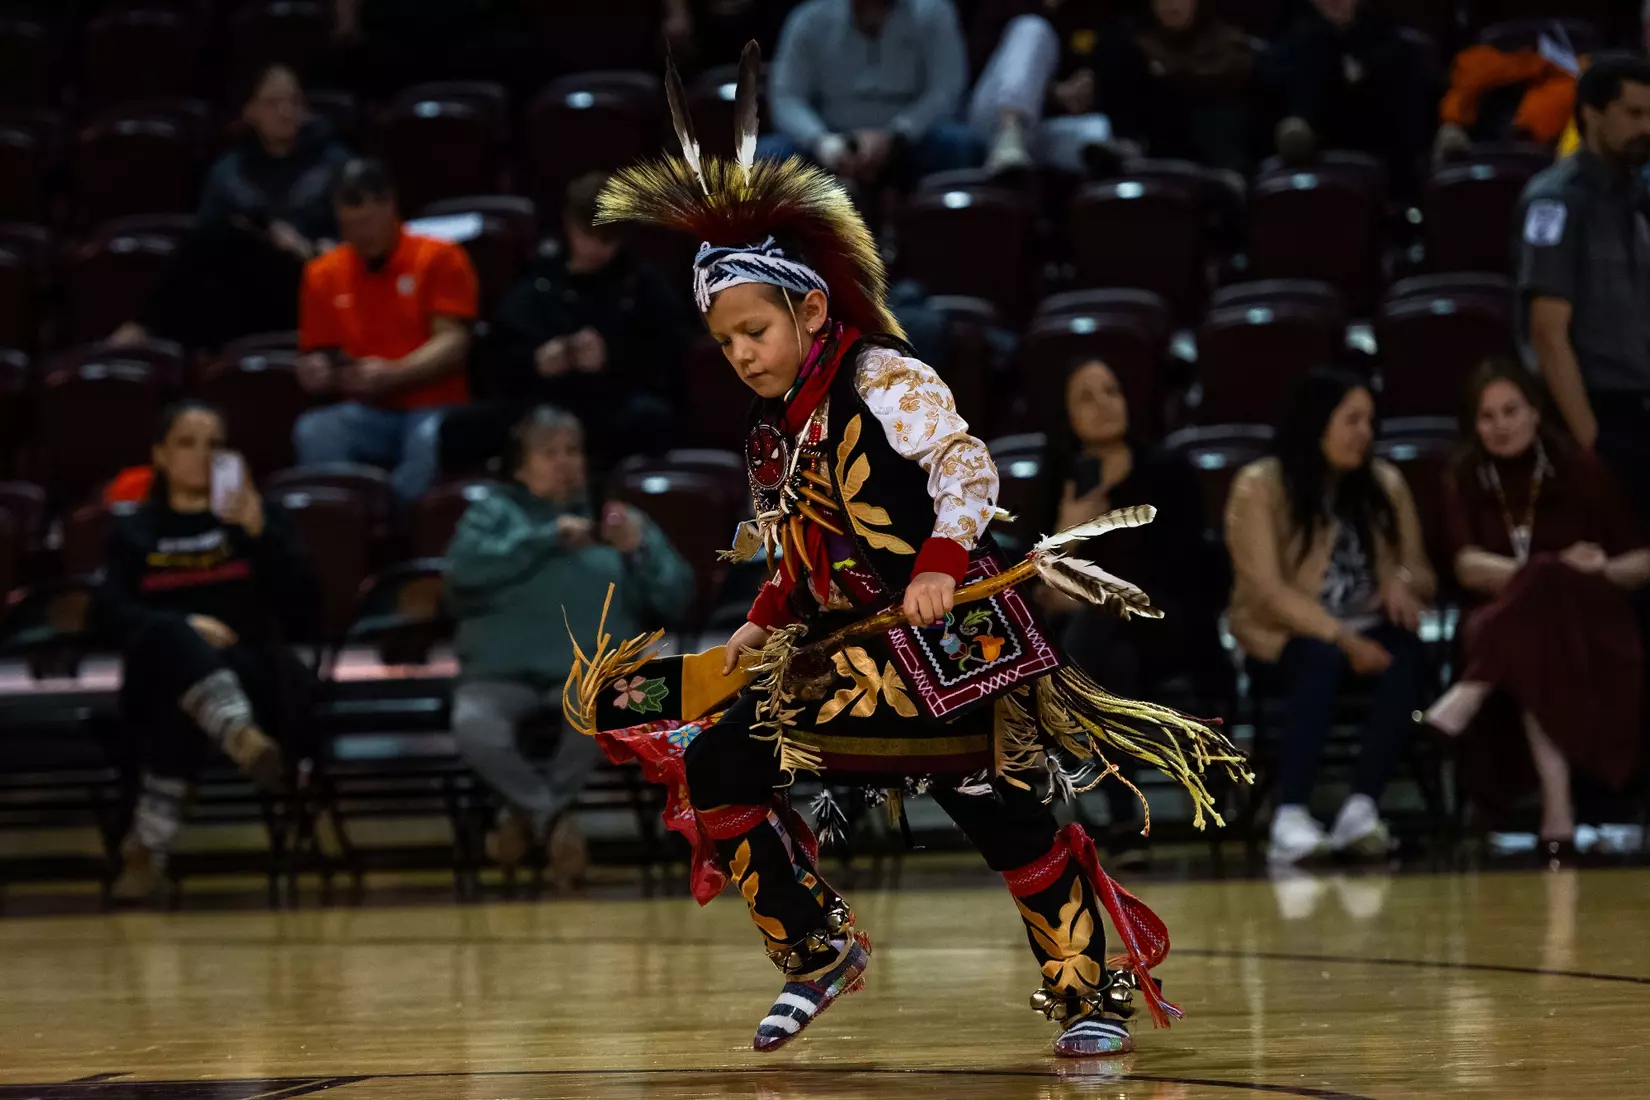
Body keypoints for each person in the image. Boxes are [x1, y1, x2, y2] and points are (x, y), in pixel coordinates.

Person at [571, 45, 1244, 1060]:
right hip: (844, 643)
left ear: (808, 308)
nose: (743, 353)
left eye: (755, 328)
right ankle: (818, 945)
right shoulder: (770, 427)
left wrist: (936, 563)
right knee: (716, 763)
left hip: (952, 633)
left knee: (1003, 815)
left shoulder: (885, 372)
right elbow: (796, 553)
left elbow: (967, 471)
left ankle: (1087, 992)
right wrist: (759, 626)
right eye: (725, 342)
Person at [445, 406, 695, 887]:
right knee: (474, 727)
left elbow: (677, 597)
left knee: (613, 705)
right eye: (550, 452)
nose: (565, 462)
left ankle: (525, 819)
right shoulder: (492, 514)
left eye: (573, 451)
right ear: (521, 465)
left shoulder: (618, 520)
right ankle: (552, 817)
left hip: (596, 676)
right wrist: (543, 538)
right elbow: (462, 574)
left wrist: (637, 550)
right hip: (499, 675)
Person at [1425, 362, 1650, 865]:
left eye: (1511, 411)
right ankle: (1558, 807)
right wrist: (1547, 572)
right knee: (1537, 620)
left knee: (1543, 617)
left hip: (1588, 615)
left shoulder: (1578, 466)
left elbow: (1640, 559)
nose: (1501, 426)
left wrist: (1597, 570)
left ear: (1536, 412)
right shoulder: (1463, 475)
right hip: (1500, 614)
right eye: (1487, 417)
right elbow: (1466, 565)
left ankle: (1472, 691)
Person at [102, 401, 321, 902]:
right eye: (187, 442)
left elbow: (306, 609)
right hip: (159, 678)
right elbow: (107, 615)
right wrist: (184, 626)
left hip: (254, 673)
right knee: (171, 640)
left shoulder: (257, 519)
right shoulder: (134, 531)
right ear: (159, 455)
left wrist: (262, 536)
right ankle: (236, 732)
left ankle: (147, 850)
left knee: (177, 695)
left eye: (216, 445)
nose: (202, 455)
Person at [1225, 368, 1434, 867]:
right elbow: (1267, 591)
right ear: (1317, 423)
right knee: (1318, 660)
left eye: (1369, 421)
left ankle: (1361, 808)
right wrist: (1343, 638)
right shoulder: (1260, 486)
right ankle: (1290, 815)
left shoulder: (1384, 482)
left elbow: (1422, 572)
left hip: (1364, 629)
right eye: (1351, 420)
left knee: (1409, 653)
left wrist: (1400, 581)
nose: (1365, 432)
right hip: (1282, 636)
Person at [1037, 357, 1231, 862]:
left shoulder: (1167, 471)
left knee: (1097, 624)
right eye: (1087, 396)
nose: (1104, 403)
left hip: (1169, 626)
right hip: (1104, 644)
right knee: (1111, 659)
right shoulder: (1061, 481)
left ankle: (1069, 760)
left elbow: (1191, 570)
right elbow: (1042, 593)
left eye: (1112, 390)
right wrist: (1068, 529)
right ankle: (1128, 822)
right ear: (1065, 415)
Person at [108, 65, 351, 352]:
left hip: (312, 280)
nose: (286, 111)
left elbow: (359, 241)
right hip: (246, 292)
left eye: (294, 101)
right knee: (209, 246)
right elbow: (205, 247)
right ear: (250, 111)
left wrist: (308, 247)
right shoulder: (228, 170)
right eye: (273, 103)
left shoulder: (336, 162)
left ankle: (141, 326)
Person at [290, 159, 479, 503]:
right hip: (364, 408)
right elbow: (318, 353)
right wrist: (318, 372)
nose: (360, 235)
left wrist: (395, 373)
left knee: (429, 439)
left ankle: (403, 530)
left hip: (433, 404)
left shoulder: (439, 257)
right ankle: (343, 529)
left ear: (390, 205)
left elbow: (453, 340)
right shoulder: (322, 273)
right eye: (349, 225)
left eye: (367, 222)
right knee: (315, 430)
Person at [484, 172, 692, 470]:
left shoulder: (642, 284)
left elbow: (671, 357)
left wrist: (613, 358)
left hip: (614, 403)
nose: (597, 247)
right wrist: (537, 362)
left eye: (608, 239)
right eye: (588, 235)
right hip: (547, 400)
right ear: (570, 225)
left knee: (651, 418)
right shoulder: (539, 278)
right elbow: (498, 356)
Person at [1517, 55, 1650, 523]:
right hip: (1602, 409)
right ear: (1592, 114)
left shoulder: (1639, 194)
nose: (1647, 127)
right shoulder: (1555, 200)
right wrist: (1590, 441)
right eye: (1634, 114)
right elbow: (1548, 334)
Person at [764, 0, 981, 187]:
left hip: (911, 139)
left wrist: (897, 134)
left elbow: (946, 90)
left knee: (959, 145)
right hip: (828, 137)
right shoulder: (809, 19)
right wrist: (820, 141)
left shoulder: (934, 13)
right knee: (769, 155)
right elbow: (786, 97)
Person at [1262, 0, 1437, 193]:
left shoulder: (1399, 48)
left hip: (1384, 162)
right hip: (1306, 169)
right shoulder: (1283, 51)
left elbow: (1411, 126)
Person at [966, 2, 1121, 176]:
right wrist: (1052, 93)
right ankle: (1009, 132)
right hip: (993, 117)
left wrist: (1084, 91)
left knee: (1096, 132)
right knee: (1033, 29)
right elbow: (977, 71)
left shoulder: (1086, 13)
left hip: (1038, 131)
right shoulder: (1006, 7)